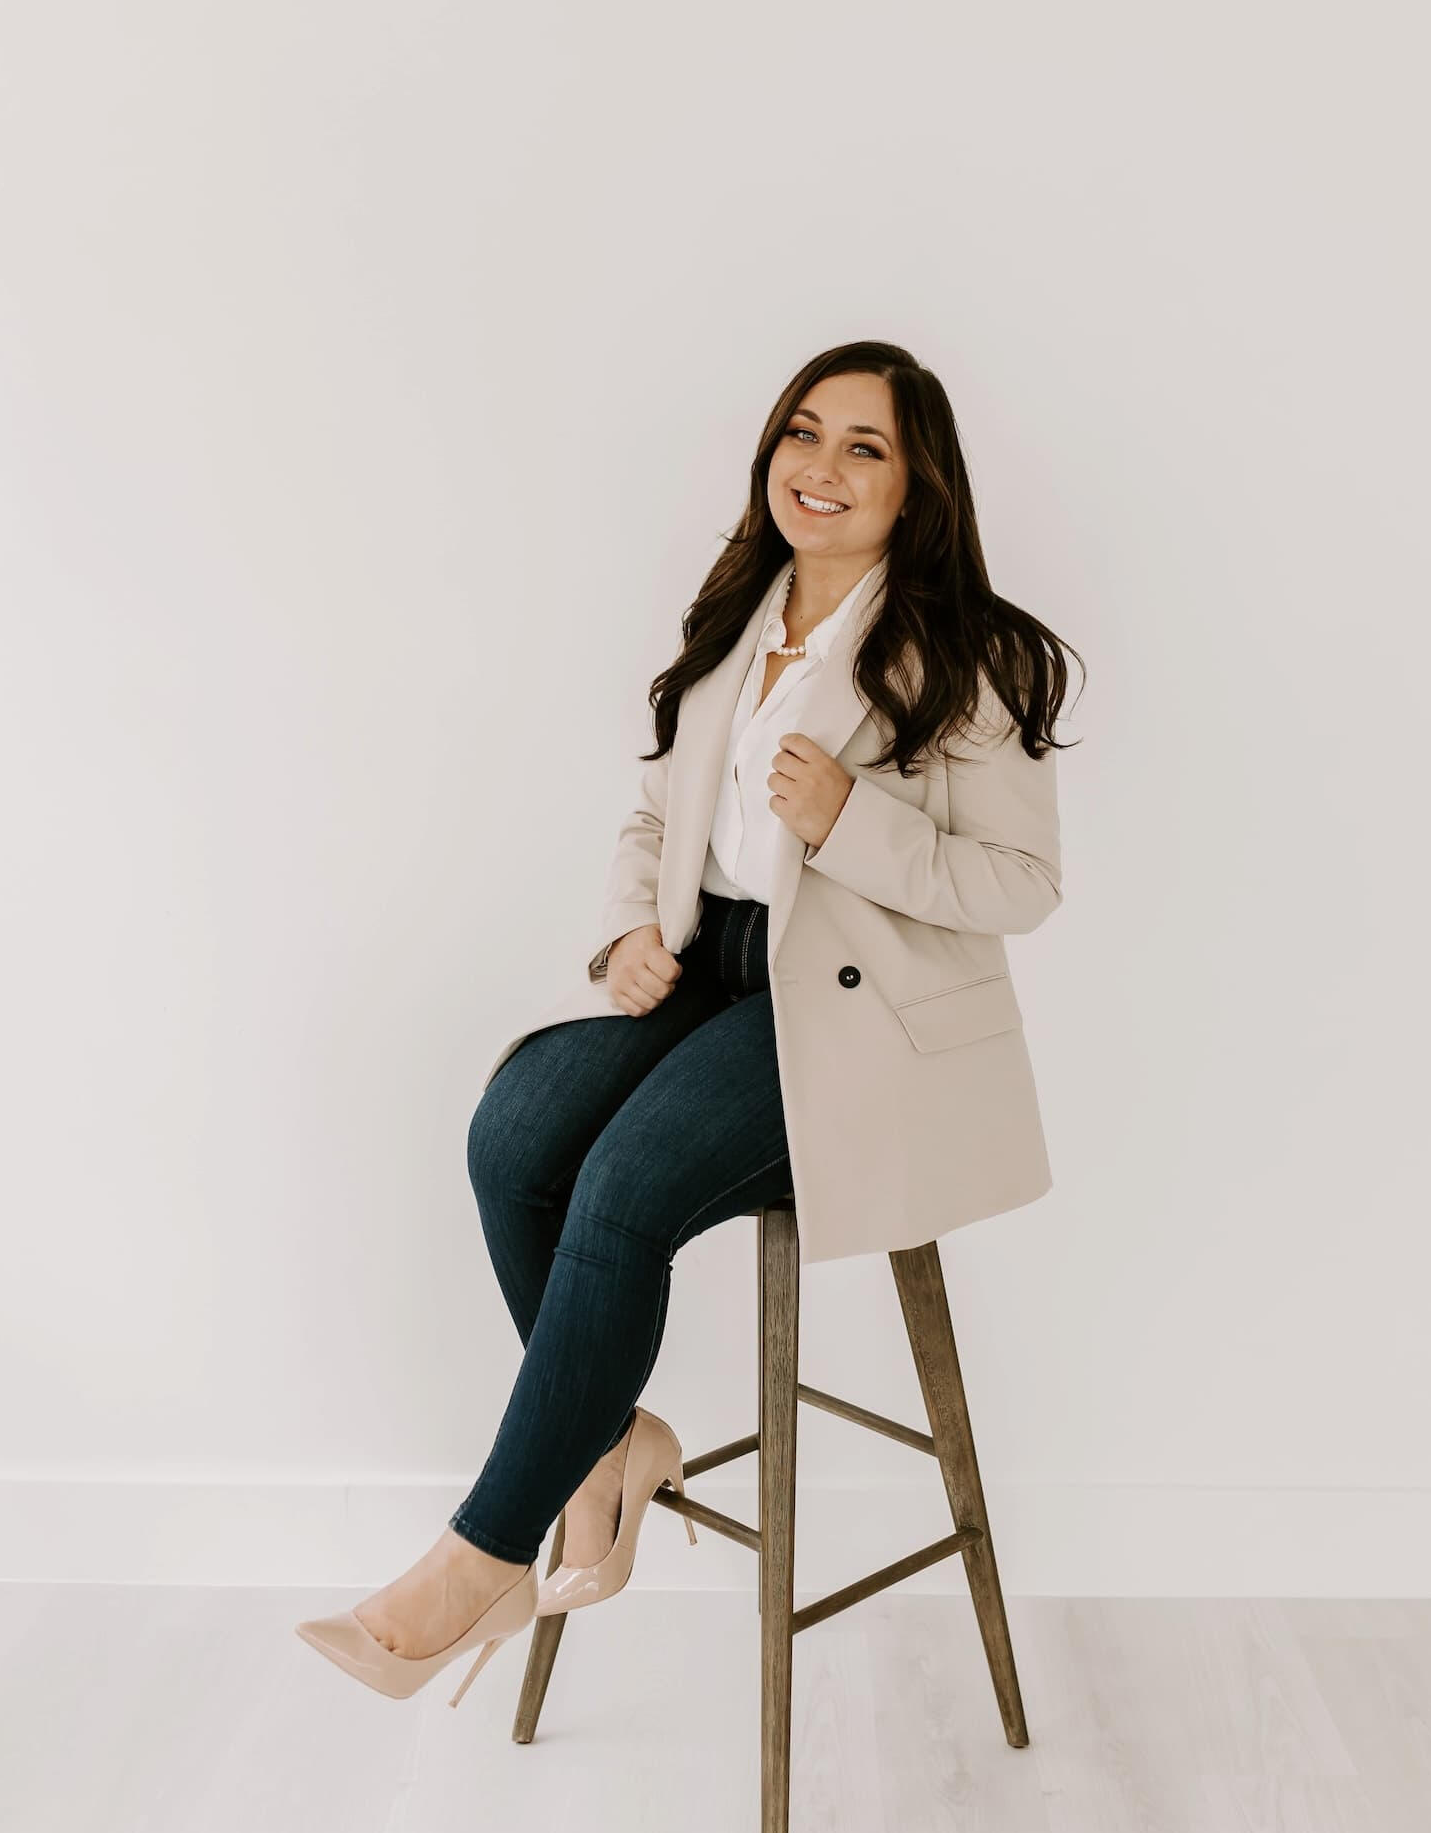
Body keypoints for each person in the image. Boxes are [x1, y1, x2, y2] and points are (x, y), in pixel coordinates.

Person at [295, 339, 1082, 1703]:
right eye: (803, 433)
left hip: (858, 1021)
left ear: (921, 486)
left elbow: (1021, 886)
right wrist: (628, 932)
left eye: (865, 448)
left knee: (624, 1184)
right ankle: (608, 1442)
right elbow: (658, 812)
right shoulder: (735, 619)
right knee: (513, 1131)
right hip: (711, 973)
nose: (820, 469)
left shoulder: (973, 654)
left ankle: (478, 1561)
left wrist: (853, 821)